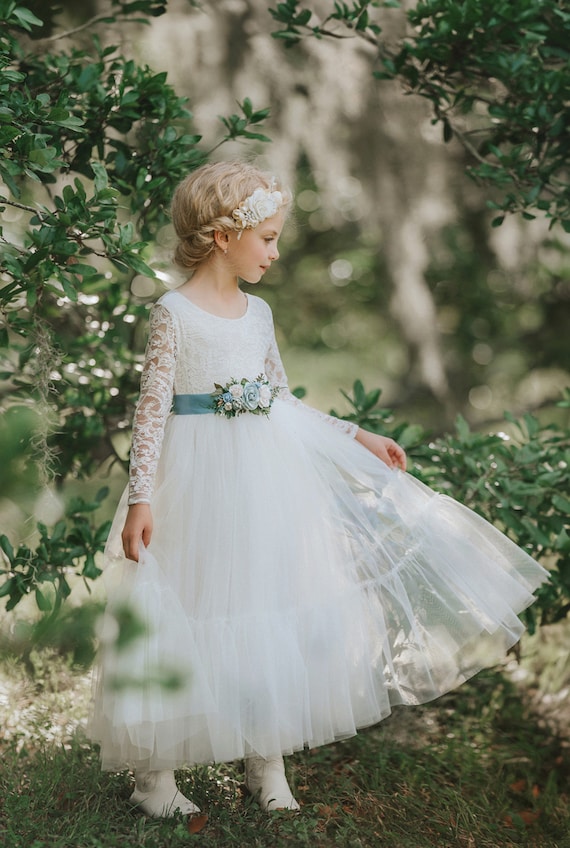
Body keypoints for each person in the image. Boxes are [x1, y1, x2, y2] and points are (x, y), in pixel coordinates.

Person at [89, 160, 548, 819]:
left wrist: (355, 433)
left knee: (264, 599)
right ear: (223, 236)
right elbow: (153, 410)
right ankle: (155, 777)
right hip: (189, 482)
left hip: (258, 479)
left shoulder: (258, 314)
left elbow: (279, 399)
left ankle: (265, 759)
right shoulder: (174, 315)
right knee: (181, 603)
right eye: (268, 238)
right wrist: (140, 499)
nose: (275, 252)